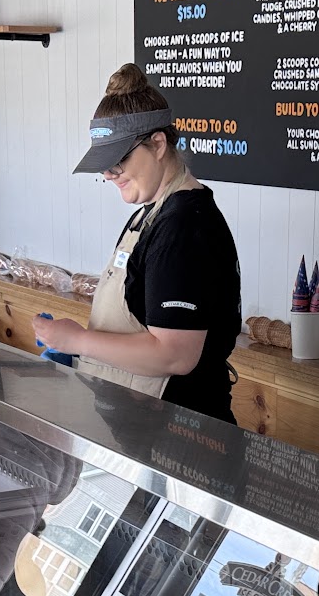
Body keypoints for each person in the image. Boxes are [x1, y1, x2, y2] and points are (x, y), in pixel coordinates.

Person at [42, 63, 243, 424]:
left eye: (118, 160)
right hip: (141, 428)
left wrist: (77, 341)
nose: (108, 174)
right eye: (104, 164)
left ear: (158, 144)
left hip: (182, 436)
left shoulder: (185, 227)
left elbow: (174, 355)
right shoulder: (150, 214)